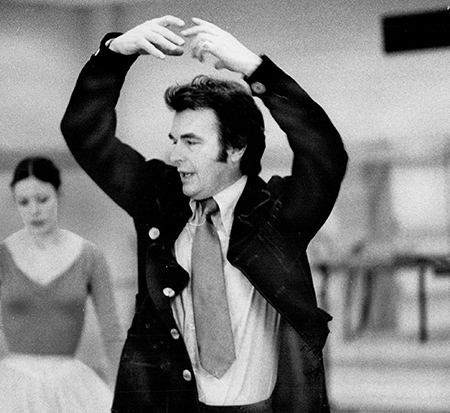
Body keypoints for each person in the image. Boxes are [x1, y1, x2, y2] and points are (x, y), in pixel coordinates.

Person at [61, 15, 348, 413]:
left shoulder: (279, 214)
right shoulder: (160, 199)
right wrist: (114, 54)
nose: (175, 155)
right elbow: (85, 135)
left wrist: (256, 70)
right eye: (174, 140)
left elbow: (324, 152)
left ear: (236, 148)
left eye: (191, 142)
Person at [0, 156, 122, 413]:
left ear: (58, 195)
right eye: (23, 202)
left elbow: (112, 332)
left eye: (43, 199)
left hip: (72, 386)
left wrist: (125, 391)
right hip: (12, 386)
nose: (34, 210)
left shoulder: (89, 256)